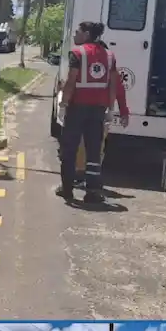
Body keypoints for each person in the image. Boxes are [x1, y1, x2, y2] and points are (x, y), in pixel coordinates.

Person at [58, 21, 129, 205]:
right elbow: (114, 84)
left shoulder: (77, 53)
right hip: (98, 110)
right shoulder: (109, 56)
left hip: (77, 109)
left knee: (69, 148)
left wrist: (63, 104)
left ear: (87, 34)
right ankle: (92, 191)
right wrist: (113, 109)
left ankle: (67, 189)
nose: (75, 35)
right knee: (93, 152)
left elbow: (71, 81)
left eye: (77, 32)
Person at [73, 52, 131, 187]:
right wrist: (123, 113)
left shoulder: (89, 68)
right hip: (100, 113)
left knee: (85, 146)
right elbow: (120, 92)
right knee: (96, 147)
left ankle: (82, 176)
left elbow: (120, 92)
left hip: (91, 112)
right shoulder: (109, 71)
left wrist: (123, 112)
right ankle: (89, 177)